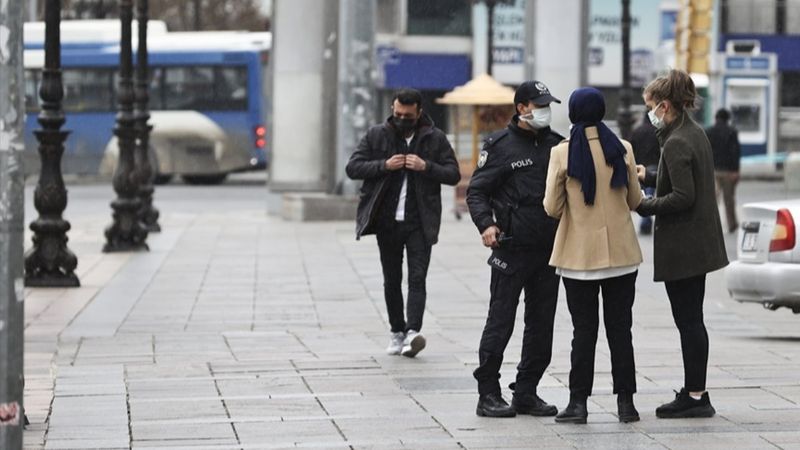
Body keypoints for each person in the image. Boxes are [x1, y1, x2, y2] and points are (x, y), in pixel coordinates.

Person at [544, 87, 643, 424]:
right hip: (622, 256)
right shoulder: (622, 148)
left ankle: (578, 403)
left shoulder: (562, 152)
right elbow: (634, 200)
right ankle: (626, 404)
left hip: (579, 258)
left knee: (583, 332)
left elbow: (551, 207)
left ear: (573, 113)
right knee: (621, 331)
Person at [466, 81, 564, 418]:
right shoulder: (500, 146)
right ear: (521, 107)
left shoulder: (556, 145)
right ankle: (488, 393)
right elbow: (476, 192)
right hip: (511, 248)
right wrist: (486, 224)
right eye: (539, 104)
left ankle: (526, 390)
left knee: (541, 324)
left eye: (548, 104)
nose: (545, 110)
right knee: (501, 320)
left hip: (549, 250)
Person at [636, 69, 728, 419]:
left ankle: (695, 395)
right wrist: (650, 174)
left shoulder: (675, 141)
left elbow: (682, 196)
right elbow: (681, 179)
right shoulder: (693, 132)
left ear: (664, 105)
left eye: (650, 107)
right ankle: (695, 390)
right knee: (694, 320)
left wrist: (642, 204)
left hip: (685, 246)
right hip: (699, 244)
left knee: (688, 321)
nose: (649, 114)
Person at [346, 88, 460, 358]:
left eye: (407, 115)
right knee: (391, 279)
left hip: (421, 220)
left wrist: (427, 167)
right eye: (397, 114)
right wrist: (384, 165)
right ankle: (396, 331)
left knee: (417, 277)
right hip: (387, 220)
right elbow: (353, 167)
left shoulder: (435, 138)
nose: (401, 119)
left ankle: (412, 332)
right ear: (392, 109)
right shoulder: (377, 134)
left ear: (419, 112)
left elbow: (454, 174)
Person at [705, 108, 741, 233]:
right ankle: (732, 224)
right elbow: (735, 152)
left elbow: (705, 152)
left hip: (712, 170)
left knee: (712, 199)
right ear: (727, 119)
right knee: (728, 199)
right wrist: (735, 170)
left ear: (716, 118)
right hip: (727, 171)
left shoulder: (709, 131)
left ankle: (709, 224)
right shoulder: (732, 132)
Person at [629, 110, 661, 234]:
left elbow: (632, 148)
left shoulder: (637, 131)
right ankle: (646, 221)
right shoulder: (656, 132)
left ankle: (645, 221)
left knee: (642, 193)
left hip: (639, 165)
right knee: (650, 193)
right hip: (653, 165)